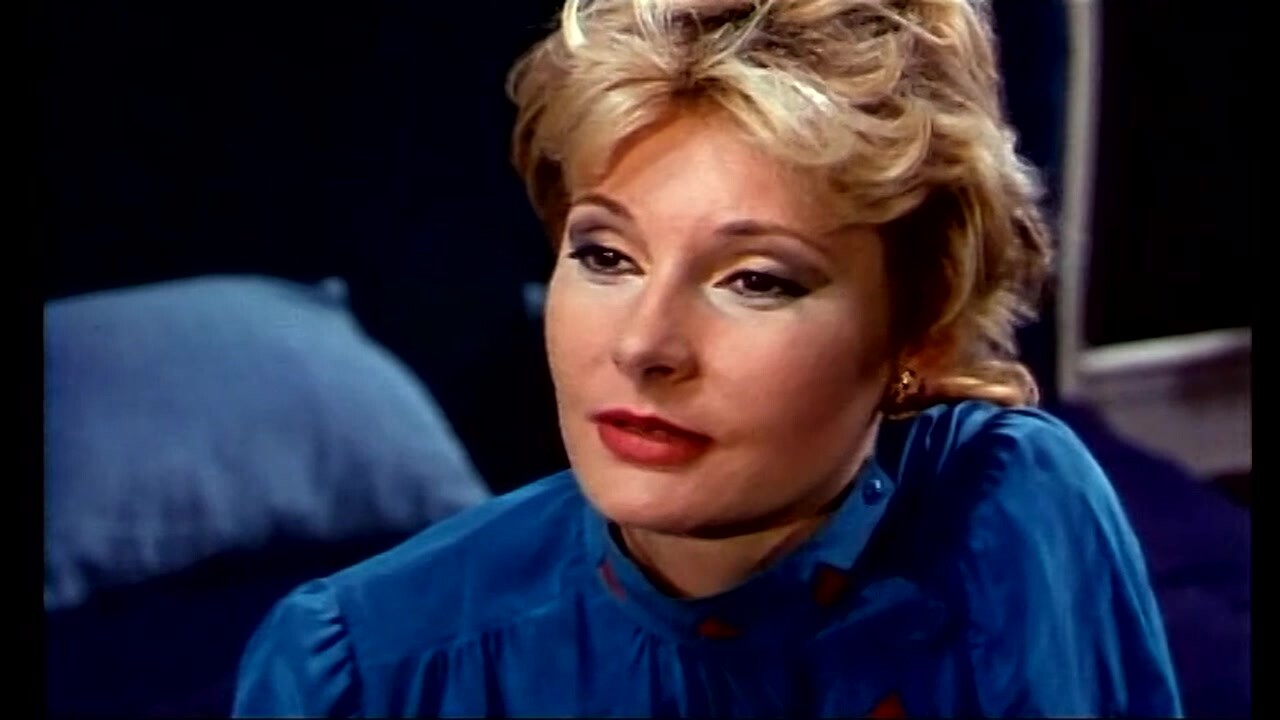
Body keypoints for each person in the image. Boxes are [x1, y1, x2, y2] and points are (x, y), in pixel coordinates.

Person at [231, 0, 1182, 716]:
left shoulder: (1014, 504)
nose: (644, 346)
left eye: (755, 280)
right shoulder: (357, 672)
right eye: (606, 257)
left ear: (917, 332)